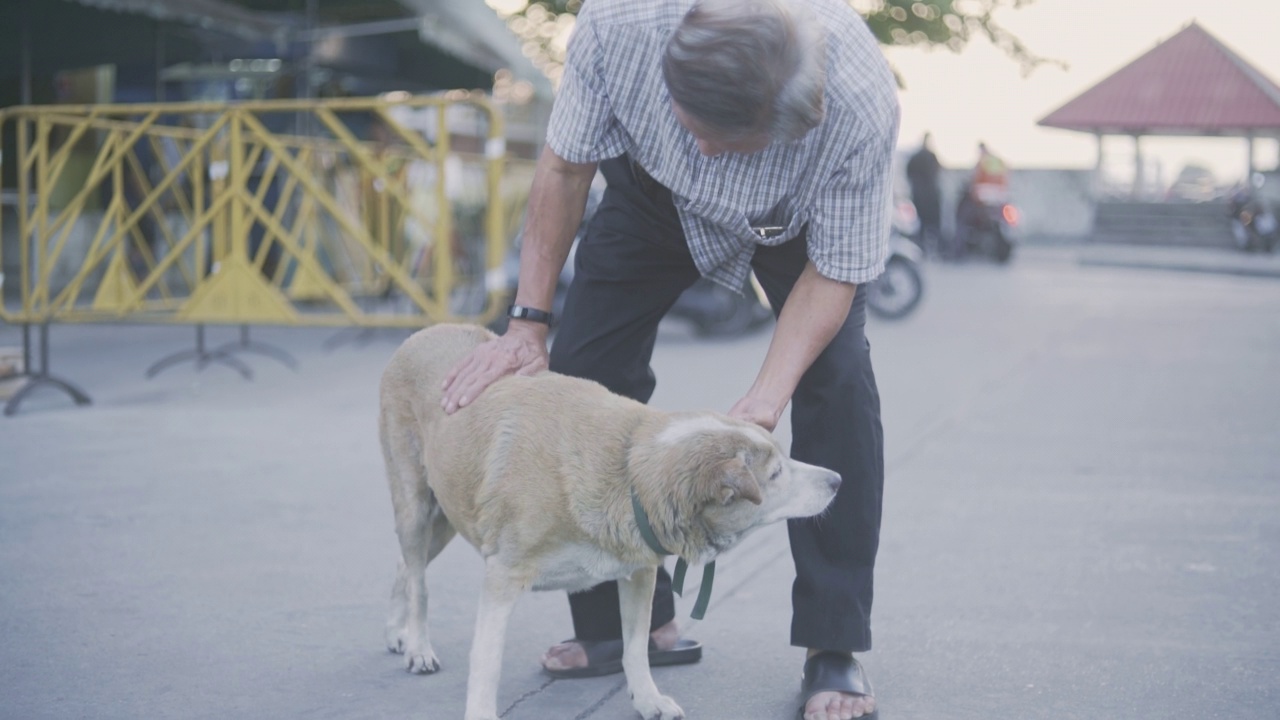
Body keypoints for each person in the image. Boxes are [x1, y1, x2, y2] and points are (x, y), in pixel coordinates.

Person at [440, 1, 897, 718]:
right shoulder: (616, 28)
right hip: (651, 193)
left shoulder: (861, 100)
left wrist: (762, 403)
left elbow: (837, 270)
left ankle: (833, 645)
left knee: (837, 382)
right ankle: (631, 625)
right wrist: (527, 323)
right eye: (700, 132)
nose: (711, 157)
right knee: (584, 372)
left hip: (795, 220)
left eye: (732, 141)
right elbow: (564, 168)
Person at [905, 132, 942, 256]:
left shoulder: (916, 156)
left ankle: (921, 248)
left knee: (920, 223)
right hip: (930, 194)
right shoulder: (932, 156)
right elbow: (938, 172)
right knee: (931, 223)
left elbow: (908, 172)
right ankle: (931, 248)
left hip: (920, 194)